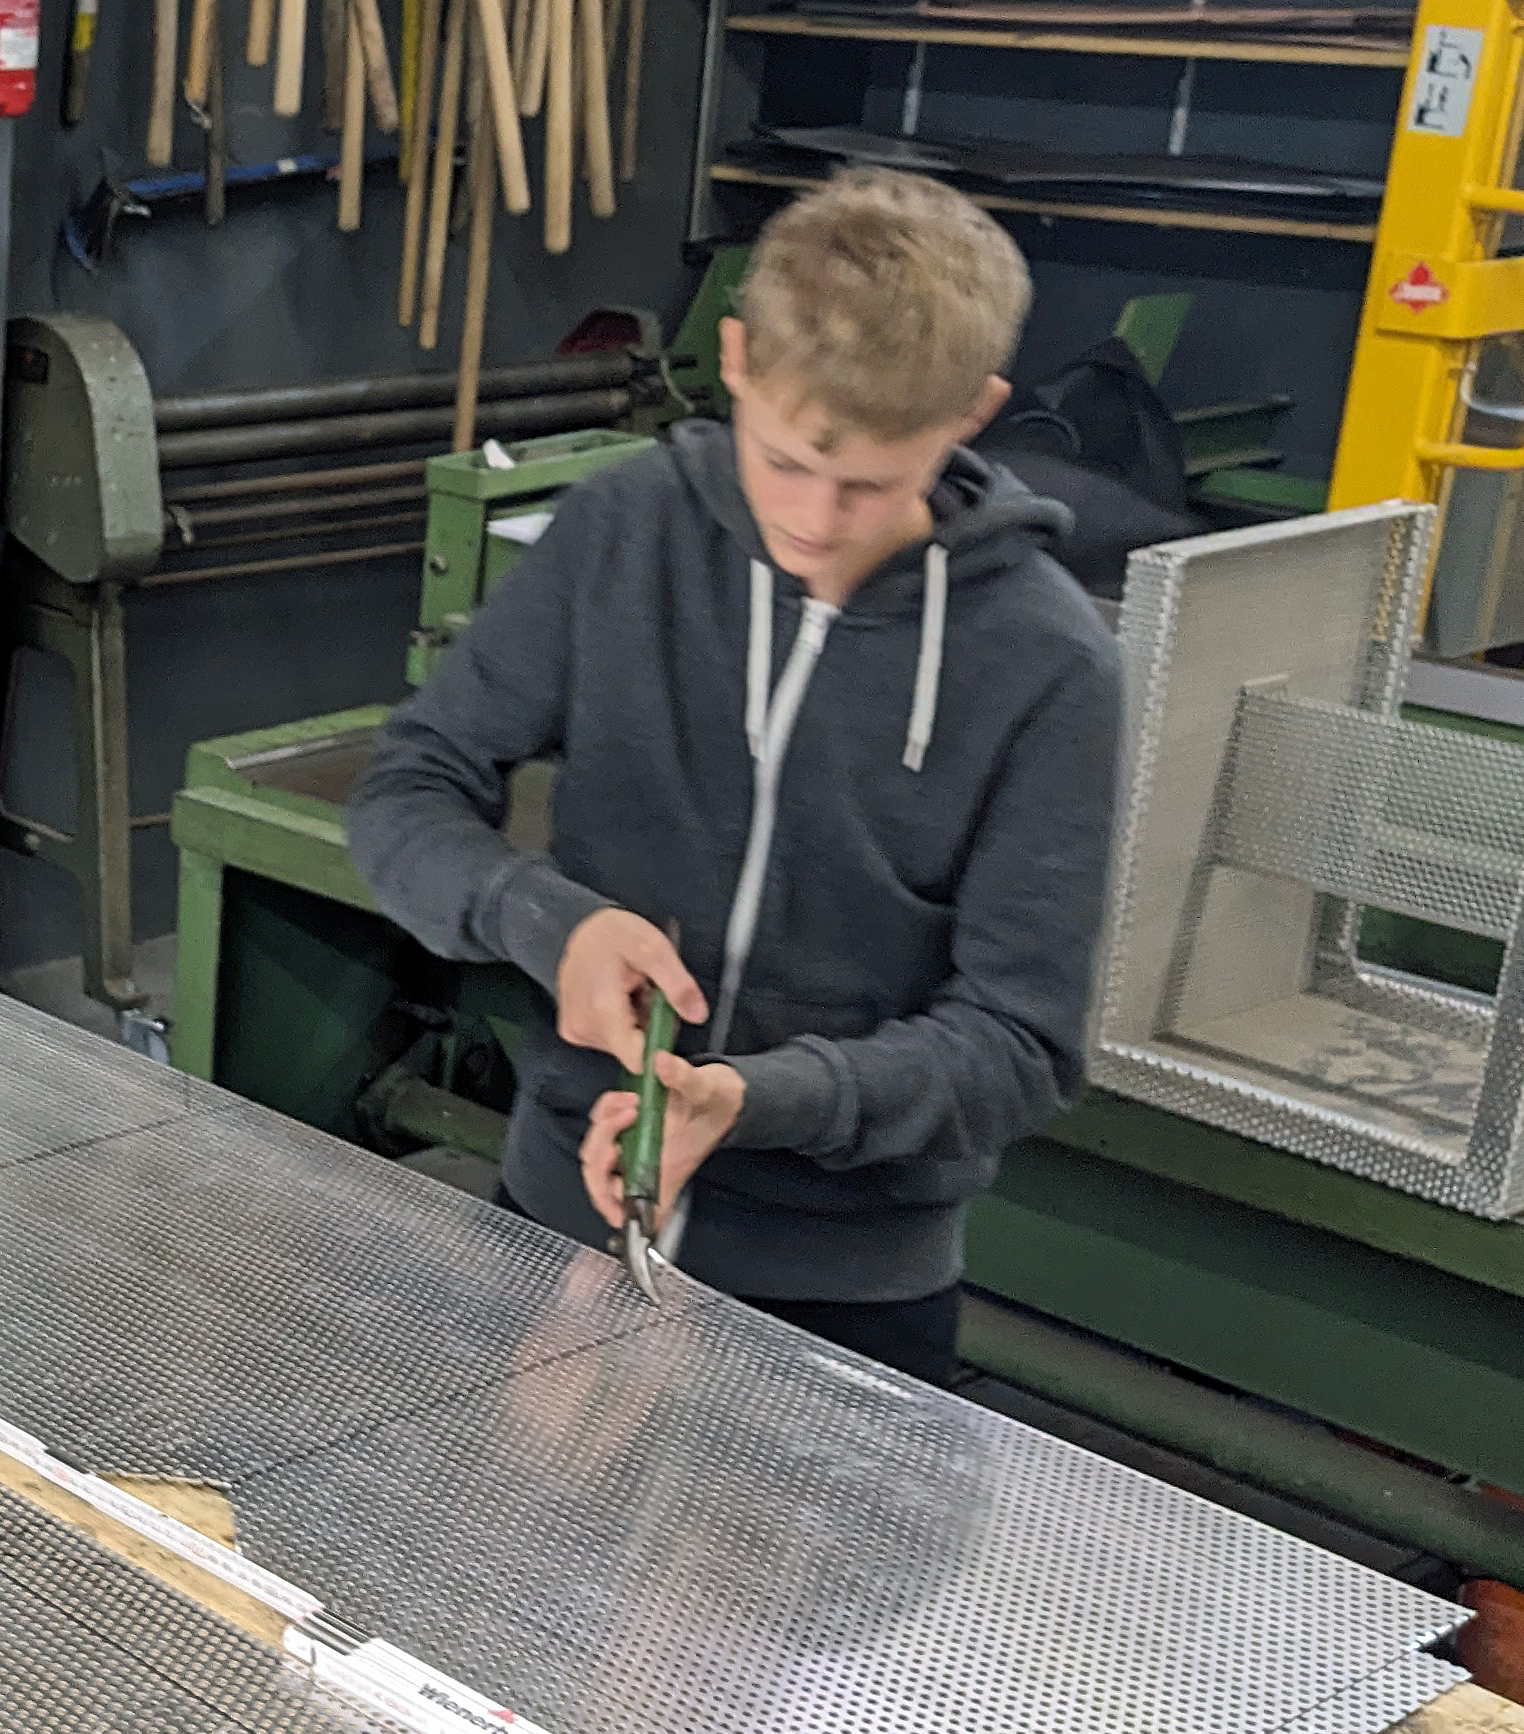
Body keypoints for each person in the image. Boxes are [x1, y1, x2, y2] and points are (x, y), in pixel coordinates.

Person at [347, 169, 1121, 1387]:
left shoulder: (1048, 663)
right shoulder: (624, 532)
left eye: (872, 484)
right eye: (786, 462)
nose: (815, 520)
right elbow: (409, 789)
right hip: (562, 1219)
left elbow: (1021, 1043)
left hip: (846, 1297)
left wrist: (753, 1101)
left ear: (972, 413)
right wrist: (550, 924)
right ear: (738, 360)